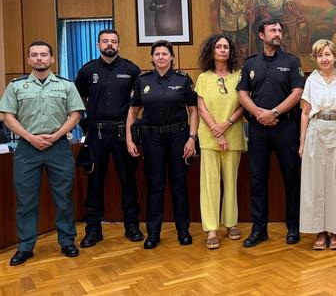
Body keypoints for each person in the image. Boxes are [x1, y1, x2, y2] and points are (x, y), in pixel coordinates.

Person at [0, 41, 85, 266]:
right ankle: (25, 247)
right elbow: (8, 117)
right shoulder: (16, 86)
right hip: (27, 149)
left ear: (52, 59)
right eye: (34, 55)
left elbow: (75, 115)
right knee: (26, 200)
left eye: (44, 55)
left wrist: (55, 136)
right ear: (28, 60)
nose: (39, 58)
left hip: (58, 148)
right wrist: (31, 138)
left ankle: (67, 242)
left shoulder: (66, 85)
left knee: (64, 198)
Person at [237, 19, 305, 247]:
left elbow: (298, 92)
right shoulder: (250, 63)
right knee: (257, 179)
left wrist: (273, 112)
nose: (277, 33)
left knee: (291, 178)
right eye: (272, 30)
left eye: (279, 30)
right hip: (258, 129)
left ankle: (294, 228)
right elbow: (242, 93)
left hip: (286, 127)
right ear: (261, 35)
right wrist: (258, 113)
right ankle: (259, 230)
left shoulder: (291, 61)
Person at [126, 40, 198, 249]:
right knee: (155, 186)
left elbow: (193, 110)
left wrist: (192, 138)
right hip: (152, 139)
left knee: (179, 186)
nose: (160, 57)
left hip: (178, 137)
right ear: (153, 57)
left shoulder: (182, 79)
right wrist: (130, 139)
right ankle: (153, 233)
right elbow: (132, 111)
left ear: (172, 57)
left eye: (164, 54)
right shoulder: (143, 80)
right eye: (157, 54)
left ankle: (183, 231)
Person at [75, 29, 143, 248]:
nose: (109, 44)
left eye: (114, 41)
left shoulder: (131, 69)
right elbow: (79, 98)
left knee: (128, 180)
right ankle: (93, 230)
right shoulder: (87, 70)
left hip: (124, 132)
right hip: (97, 133)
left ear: (119, 45)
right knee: (94, 182)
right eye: (105, 41)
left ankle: (132, 226)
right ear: (98, 45)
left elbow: (138, 101)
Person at [298, 39, 336, 250]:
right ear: (315, 59)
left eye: (327, 54)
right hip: (316, 130)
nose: (324, 59)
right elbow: (305, 114)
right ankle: (320, 232)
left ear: (335, 56)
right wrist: (302, 141)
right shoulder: (310, 81)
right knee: (316, 182)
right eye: (319, 55)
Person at [195, 34, 246, 249]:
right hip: (209, 138)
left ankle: (231, 223)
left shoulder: (239, 76)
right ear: (212, 51)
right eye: (218, 46)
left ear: (230, 51)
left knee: (231, 182)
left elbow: (244, 104)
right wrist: (217, 132)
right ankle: (211, 229)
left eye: (226, 47)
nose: (223, 50)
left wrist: (225, 125)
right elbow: (201, 108)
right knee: (209, 185)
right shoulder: (203, 78)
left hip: (233, 135)